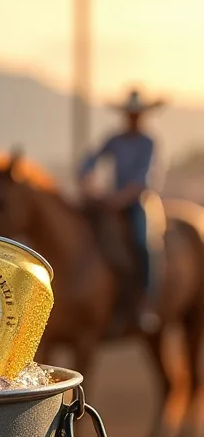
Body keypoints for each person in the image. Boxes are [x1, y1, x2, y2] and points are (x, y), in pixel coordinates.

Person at [78, 88, 164, 311]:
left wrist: (119, 199)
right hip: (113, 202)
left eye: (136, 115)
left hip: (137, 203)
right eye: (130, 114)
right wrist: (87, 180)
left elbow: (142, 180)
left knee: (142, 244)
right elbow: (90, 161)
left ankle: (147, 300)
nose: (132, 118)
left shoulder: (148, 142)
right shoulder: (114, 140)